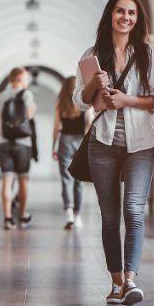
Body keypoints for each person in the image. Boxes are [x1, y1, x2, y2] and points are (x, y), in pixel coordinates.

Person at [73, 0, 154, 306]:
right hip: (103, 143)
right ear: (110, 15)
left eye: (131, 13)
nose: (125, 18)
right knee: (110, 215)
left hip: (140, 144)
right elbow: (79, 102)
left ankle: (130, 280)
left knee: (134, 210)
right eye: (120, 12)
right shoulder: (92, 54)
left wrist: (126, 100)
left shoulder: (148, 54)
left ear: (137, 19)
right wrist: (93, 83)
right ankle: (115, 283)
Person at [0, 68, 36, 230]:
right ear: (20, 79)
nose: (27, 82)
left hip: (3, 142)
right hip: (23, 143)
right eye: (25, 79)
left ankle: (8, 218)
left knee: (6, 180)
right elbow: (30, 115)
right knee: (23, 179)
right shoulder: (27, 94)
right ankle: (23, 215)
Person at [52, 76, 89, 229]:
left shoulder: (60, 103)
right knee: (78, 181)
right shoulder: (84, 102)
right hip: (80, 141)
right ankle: (78, 215)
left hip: (64, 141)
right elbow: (89, 124)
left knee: (66, 179)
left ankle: (69, 213)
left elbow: (55, 127)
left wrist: (53, 147)